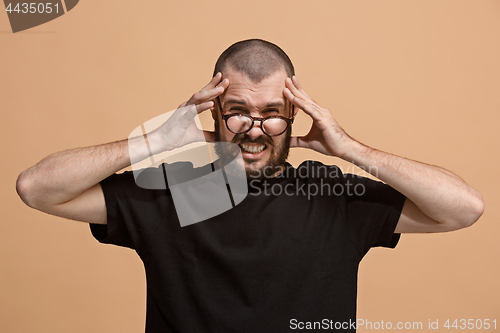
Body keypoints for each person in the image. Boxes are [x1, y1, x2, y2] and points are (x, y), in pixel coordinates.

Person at [16, 39, 484, 332]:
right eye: (238, 110)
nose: (255, 129)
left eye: (272, 113)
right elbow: (37, 188)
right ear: (214, 114)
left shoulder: (334, 195)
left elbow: (463, 208)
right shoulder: (171, 192)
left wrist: (351, 150)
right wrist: (153, 141)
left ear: (294, 116)